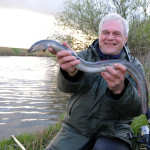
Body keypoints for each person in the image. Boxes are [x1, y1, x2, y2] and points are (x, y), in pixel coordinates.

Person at [45, 13, 145, 150]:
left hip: (115, 131)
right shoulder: (81, 57)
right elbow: (65, 88)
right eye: (105, 32)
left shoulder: (134, 66)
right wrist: (69, 74)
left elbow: (137, 109)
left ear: (125, 38)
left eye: (116, 33)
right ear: (99, 35)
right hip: (75, 128)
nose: (110, 37)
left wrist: (120, 90)